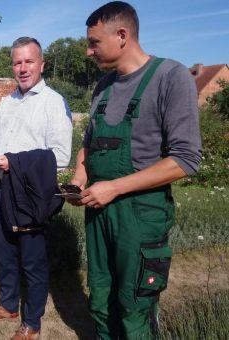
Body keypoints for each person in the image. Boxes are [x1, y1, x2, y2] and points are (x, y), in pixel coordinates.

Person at [67, 2, 203, 338]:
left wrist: (114, 187)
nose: (88, 51)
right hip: (100, 215)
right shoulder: (103, 86)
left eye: (94, 42)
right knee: (100, 300)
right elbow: (89, 142)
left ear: (123, 35)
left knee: (134, 306)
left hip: (140, 217)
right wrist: (78, 178)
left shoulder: (171, 77)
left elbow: (186, 159)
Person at [0, 37, 73, 340]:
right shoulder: (7, 101)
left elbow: (61, 154)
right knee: (3, 253)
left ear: (42, 64)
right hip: (3, 189)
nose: (23, 67)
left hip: (31, 195)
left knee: (32, 261)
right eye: (17, 62)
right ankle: (8, 306)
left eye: (29, 61)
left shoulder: (53, 102)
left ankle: (32, 323)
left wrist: (14, 163)